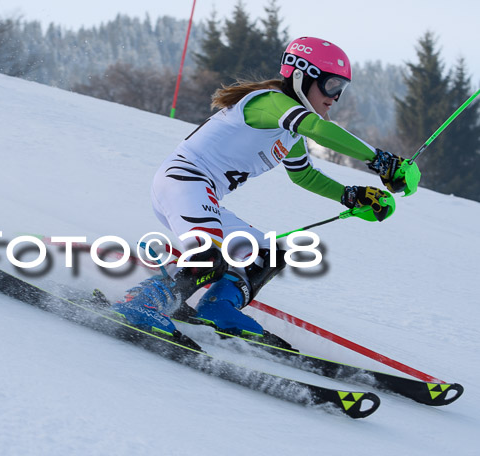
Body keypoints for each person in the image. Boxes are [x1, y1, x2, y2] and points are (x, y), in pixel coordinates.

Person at [112, 36, 418, 342]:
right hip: (183, 182)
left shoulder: (289, 134)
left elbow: (304, 175)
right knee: (210, 255)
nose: (335, 98)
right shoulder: (269, 102)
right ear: (302, 76)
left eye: (342, 90)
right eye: (332, 86)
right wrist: (380, 161)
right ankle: (142, 303)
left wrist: (351, 195)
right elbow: (318, 129)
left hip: (204, 197)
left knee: (266, 255)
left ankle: (219, 307)